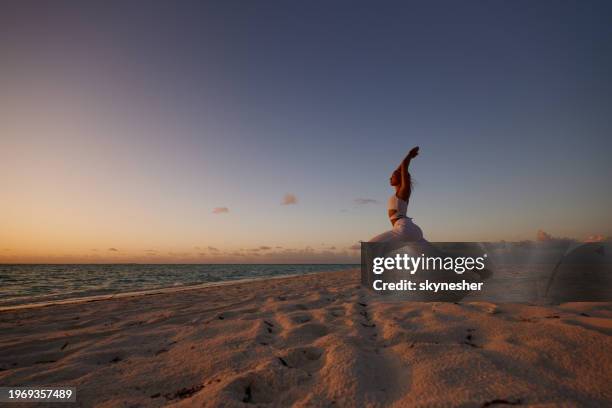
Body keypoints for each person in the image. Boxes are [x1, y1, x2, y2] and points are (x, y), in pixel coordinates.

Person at [369, 146, 425, 244]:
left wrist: (409, 156)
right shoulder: (399, 193)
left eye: (392, 176)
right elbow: (400, 170)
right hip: (412, 230)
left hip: (404, 228)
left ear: (400, 178)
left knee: (370, 247)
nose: (389, 178)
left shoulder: (403, 191)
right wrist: (404, 163)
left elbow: (403, 168)